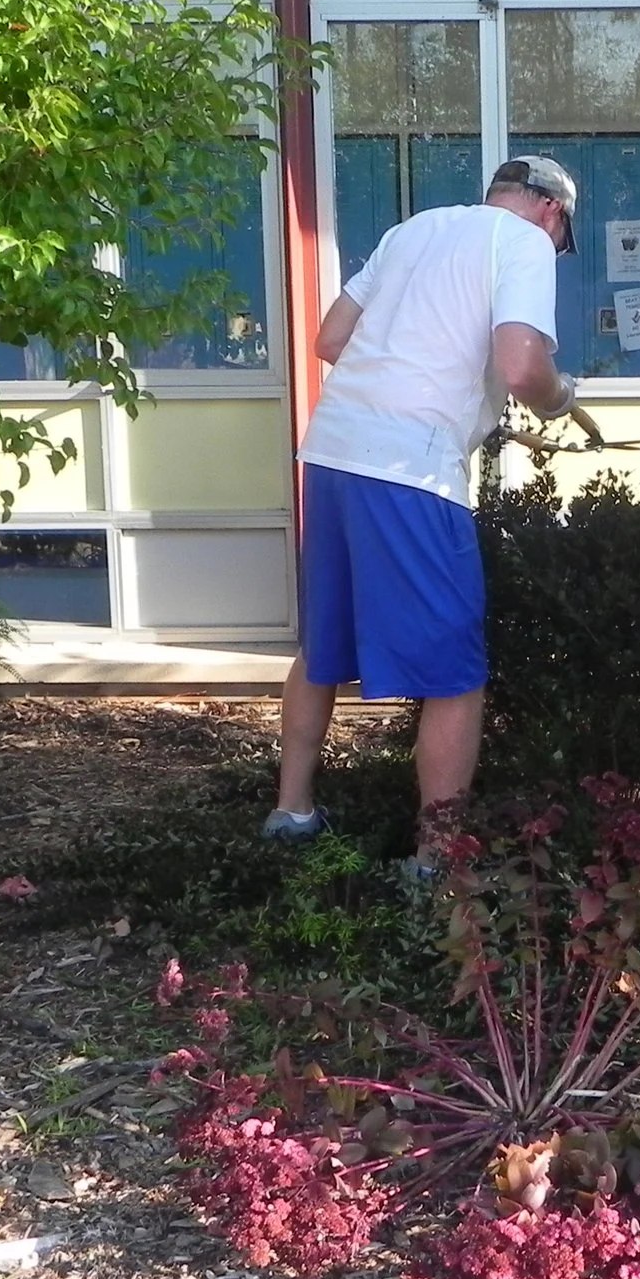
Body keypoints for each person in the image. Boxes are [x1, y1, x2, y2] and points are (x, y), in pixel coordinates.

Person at [264, 155, 592, 841]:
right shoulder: (525, 242)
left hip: (333, 453)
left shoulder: (414, 230)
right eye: (563, 243)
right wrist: (559, 400)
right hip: (412, 471)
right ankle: (437, 862)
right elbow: (523, 364)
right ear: (552, 213)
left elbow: (331, 340)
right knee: (455, 673)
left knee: (322, 646)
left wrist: (459, 398)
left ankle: (291, 812)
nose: (555, 253)